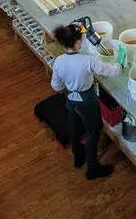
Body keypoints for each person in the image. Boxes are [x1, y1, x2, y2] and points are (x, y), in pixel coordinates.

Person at [49, 24, 125, 179]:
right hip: (87, 101)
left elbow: (56, 86)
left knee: (75, 128)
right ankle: (92, 168)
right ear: (77, 43)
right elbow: (111, 70)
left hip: (71, 99)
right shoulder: (87, 61)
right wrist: (121, 63)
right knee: (92, 132)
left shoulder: (59, 61)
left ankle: (78, 157)